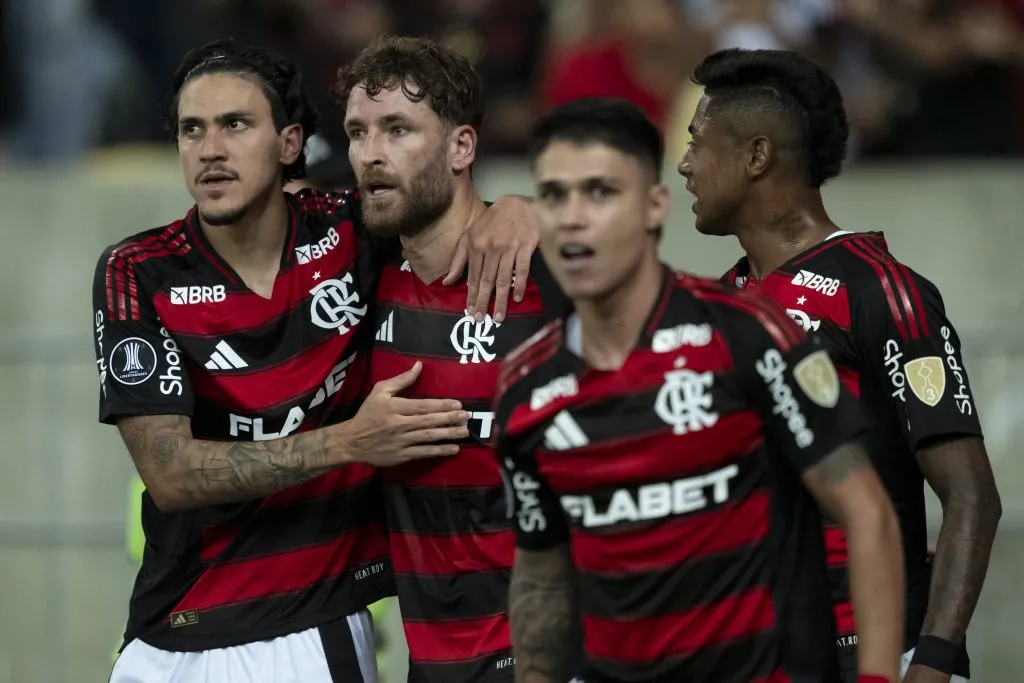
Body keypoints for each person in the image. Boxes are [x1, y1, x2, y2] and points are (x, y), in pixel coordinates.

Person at [93, 38, 539, 683]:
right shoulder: (137, 269)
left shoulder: (355, 231)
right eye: (192, 130)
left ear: (289, 144)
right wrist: (352, 442)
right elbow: (172, 474)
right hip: (168, 630)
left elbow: (442, 200)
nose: (210, 149)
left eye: (236, 124)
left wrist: (521, 211)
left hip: (309, 630)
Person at [493, 98, 906, 683]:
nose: (574, 217)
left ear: (654, 206)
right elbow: (541, 577)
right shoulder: (526, 386)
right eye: (554, 196)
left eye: (601, 192)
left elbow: (867, 514)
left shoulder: (749, 334)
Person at [678, 48, 1002, 683]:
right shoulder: (722, 304)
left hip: (883, 651)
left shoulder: (880, 289)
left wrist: (933, 660)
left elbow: (971, 495)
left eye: (697, 143)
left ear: (756, 156)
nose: (685, 165)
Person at [333, 36, 569, 682]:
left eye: (398, 129)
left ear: (462, 147)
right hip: (433, 658)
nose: (371, 154)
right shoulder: (362, 276)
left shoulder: (549, 273)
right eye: (357, 132)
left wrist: (533, 208)